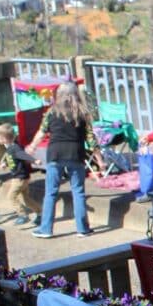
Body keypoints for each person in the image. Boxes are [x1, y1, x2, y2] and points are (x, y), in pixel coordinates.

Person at [29, 81, 101, 239]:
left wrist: (32, 146)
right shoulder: (83, 113)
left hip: (55, 154)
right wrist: (100, 160)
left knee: (51, 192)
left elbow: (42, 132)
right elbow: (91, 139)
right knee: (78, 191)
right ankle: (82, 229)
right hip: (76, 154)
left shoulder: (52, 112)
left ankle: (46, 229)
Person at [0, 123, 41, 228]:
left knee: (11, 196)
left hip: (19, 178)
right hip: (20, 177)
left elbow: (22, 155)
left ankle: (22, 215)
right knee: (25, 199)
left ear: (4, 138)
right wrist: (5, 164)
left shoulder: (15, 148)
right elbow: (13, 158)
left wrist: (34, 160)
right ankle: (40, 213)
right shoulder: (9, 148)